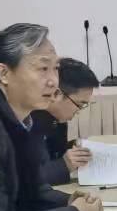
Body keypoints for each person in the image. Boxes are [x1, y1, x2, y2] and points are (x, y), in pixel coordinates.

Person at [0, 22, 102, 211]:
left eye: (55, 69)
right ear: (4, 73)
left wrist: (69, 202)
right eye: (42, 68)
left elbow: (31, 191)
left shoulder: (23, 119)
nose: (53, 81)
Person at [38, 56, 97, 185]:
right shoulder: (25, 121)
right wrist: (64, 165)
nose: (79, 110)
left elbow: (54, 153)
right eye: (79, 104)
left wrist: (73, 148)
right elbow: (25, 181)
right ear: (56, 94)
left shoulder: (56, 118)